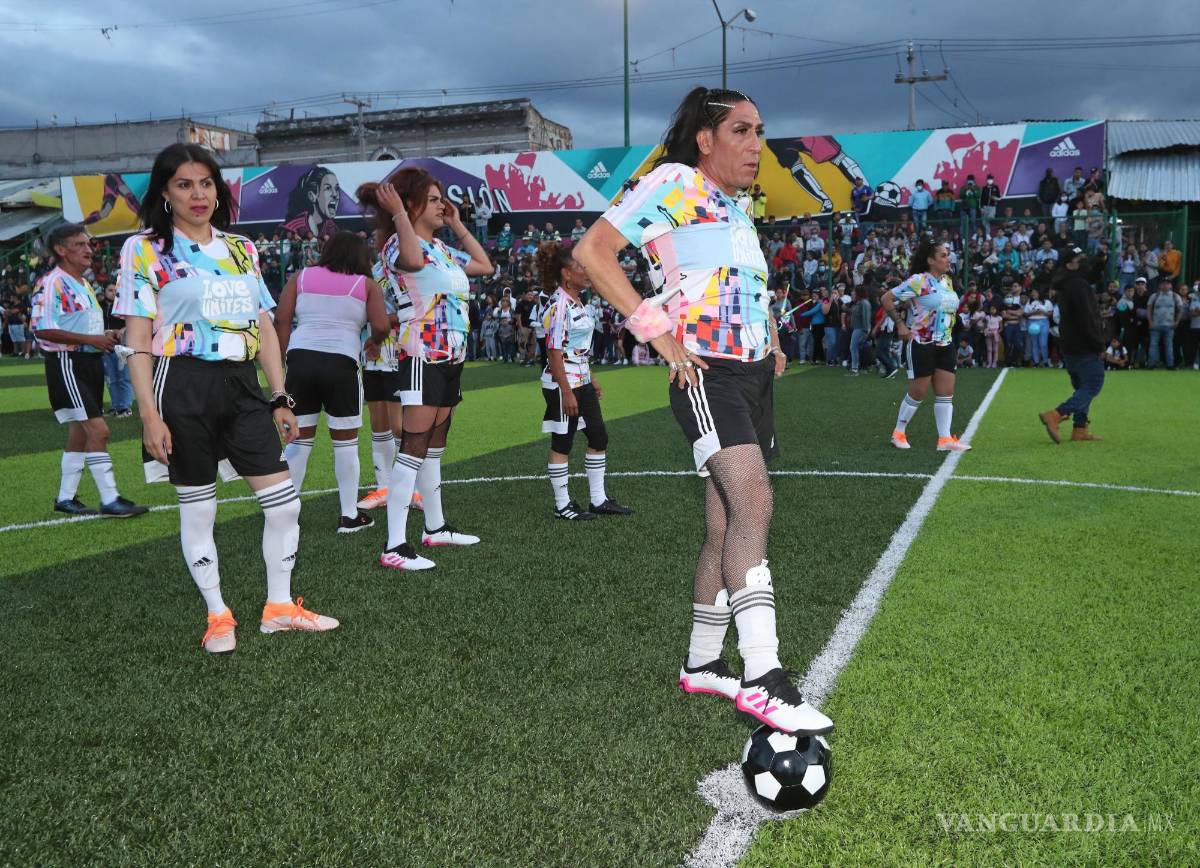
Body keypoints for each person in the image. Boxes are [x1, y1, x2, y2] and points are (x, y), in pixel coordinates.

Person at [575, 86, 833, 736]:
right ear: (706, 139)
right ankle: (764, 676)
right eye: (742, 131)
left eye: (761, 130)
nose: (757, 145)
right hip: (705, 372)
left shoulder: (735, 208)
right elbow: (593, 253)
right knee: (755, 504)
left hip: (749, 373)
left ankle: (700, 664)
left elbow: (743, 281)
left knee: (724, 524)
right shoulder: (672, 182)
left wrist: (770, 336)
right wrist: (657, 333)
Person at [117, 143, 338, 653]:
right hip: (181, 385)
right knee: (199, 511)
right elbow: (137, 338)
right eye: (183, 185)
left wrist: (280, 395)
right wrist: (149, 415)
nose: (197, 194)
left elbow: (262, 323)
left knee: (283, 504)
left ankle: (279, 608)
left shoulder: (241, 248)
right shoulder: (146, 248)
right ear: (165, 194)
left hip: (243, 385)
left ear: (219, 190)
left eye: (206, 183)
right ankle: (218, 615)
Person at [375, 167, 493, 572]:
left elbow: (484, 265)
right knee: (414, 446)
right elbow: (409, 260)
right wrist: (399, 216)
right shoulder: (399, 243)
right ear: (411, 205)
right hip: (421, 355)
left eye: (443, 198)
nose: (443, 204)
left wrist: (458, 224)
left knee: (435, 446)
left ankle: (435, 528)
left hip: (451, 357)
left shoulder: (442, 248)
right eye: (434, 199)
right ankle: (394, 544)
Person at [273, 232, 390, 532]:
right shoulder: (366, 285)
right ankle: (349, 516)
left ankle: (285, 514)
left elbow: (282, 320)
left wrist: (283, 357)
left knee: (298, 439)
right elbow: (381, 325)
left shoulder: (301, 277)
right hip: (341, 363)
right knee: (346, 443)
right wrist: (374, 342)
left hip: (300, 361)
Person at [31, 223, 148, 518]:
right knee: (99, 430)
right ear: (61, 249)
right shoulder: (51, 282)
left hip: (89, 362)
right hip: (67, 363)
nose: (88, 249)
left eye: (88, 244)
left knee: (80, 434)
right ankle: (110, 499)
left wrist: (105, 334)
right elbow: (42, 329)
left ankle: (65, 498)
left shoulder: (81, 284)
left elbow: (77, 326)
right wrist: (91, 340)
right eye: (80, 244)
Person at [536, 242, 632, 521]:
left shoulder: (579, 302)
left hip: (582, 379)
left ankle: (598, 500)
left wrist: (592, 378)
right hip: (562, 383)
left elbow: (576, 349)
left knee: (598, 436)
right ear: (567, 274)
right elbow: (553, 353)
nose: (587, 272)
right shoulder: (558, 305)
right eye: (581, 268)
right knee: (562, 442)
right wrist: (567, 392)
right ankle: (562, 505)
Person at [881, 238, 971, 452]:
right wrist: (901, 325)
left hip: (946, 344)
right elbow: (886, 298)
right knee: (918, 392)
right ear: (931, 260)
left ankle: (945, 439)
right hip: (922, 343)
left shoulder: (948, 281)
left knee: (946, 392)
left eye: (948, 255)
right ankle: (898, 432)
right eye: (943, 255)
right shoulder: (918, 281)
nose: (948, 259)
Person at [1039, 247, 1106, 443]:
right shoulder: (1079, 285)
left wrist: (1100, 262)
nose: (1084, 261)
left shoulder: (1067, 282)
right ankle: (1056, 414)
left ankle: (1080, 428)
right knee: (1093, 383)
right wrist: (1099, 344)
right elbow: (1088, 317)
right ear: (1071, 264)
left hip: (1069, 344)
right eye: (1080, 258)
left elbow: (1090, 274)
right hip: (1084, 344)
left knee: (1082, 387)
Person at [282, 166, 340, 241]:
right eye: (328, 188)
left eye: (336, 188)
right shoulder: (295, 226)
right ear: (312, 196)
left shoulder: (333, 227)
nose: (335, 194)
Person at [1146, 279, 1184, 370]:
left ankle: (1170, 365)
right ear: (1159, 285)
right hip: (1156, 325)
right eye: (1163, 284)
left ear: (1170, 285)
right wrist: (1150, 322)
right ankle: (1151, 364)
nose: (1165, 285)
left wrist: (1177, 321)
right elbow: (1149, 309)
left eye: (1167, 284)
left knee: (1169, 345)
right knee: (1153, 345)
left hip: (1169, 325)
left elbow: (1180, 309)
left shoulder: (1175, 296)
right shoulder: (1154, 296)